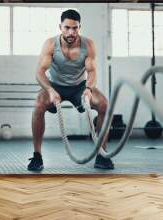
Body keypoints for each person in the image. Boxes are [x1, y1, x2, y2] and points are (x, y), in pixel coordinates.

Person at [28, 9, 114, 171]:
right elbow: (39, 72)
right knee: (38, 105)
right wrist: (50, 90)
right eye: (67, 27)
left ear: (79, 27)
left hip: (79, 87)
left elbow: (92, 71)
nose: (71, 32)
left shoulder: (88, 44)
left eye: (75, 28)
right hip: (55, 86)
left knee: (104, 105)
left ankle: (102, 155)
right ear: (60, 27)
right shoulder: (50, 44)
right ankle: (37, 156)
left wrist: (88, 89)